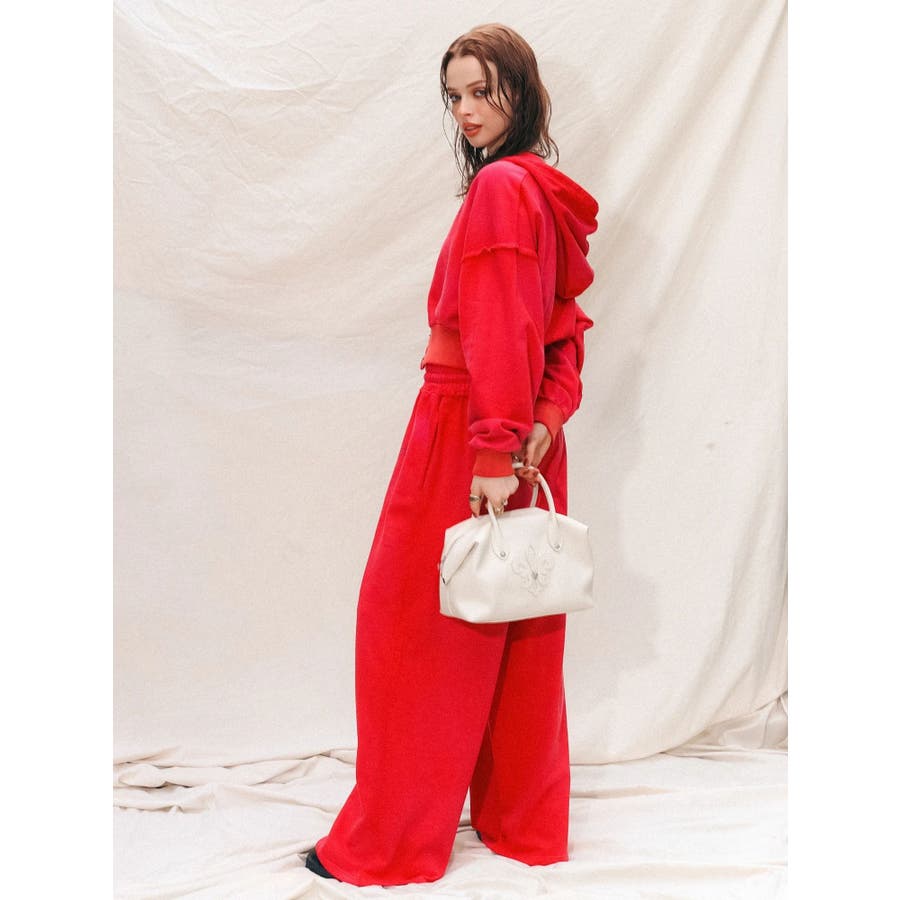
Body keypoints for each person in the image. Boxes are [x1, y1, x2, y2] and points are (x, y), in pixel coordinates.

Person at [304, 22, 598, 887]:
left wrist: (495, 448)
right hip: (524, 433)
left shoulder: (503, 189)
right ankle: (522, 827)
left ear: (521, 92)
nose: (466, 110)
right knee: (516, 632)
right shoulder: (537, 189)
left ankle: (391, 842)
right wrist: (546, 417)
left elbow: (503, 325)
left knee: (413, 635)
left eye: (482, 90)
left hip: (470, 427)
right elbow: (564, 329)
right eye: (455, 95)